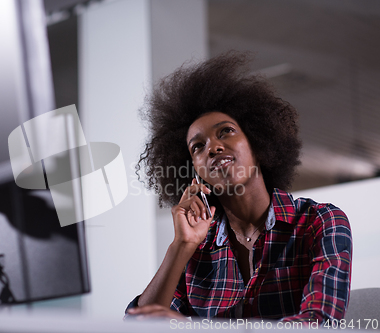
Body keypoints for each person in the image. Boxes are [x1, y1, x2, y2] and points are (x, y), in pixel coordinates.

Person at [125, 52, 352, 324]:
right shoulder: (197, 249)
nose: (213, 147)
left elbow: (319, 322)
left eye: (226, 131)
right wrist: (181, 245)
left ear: (258, 144)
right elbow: (138, 326)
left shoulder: (319, 222)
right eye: (198, 147)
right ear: (195, 172)